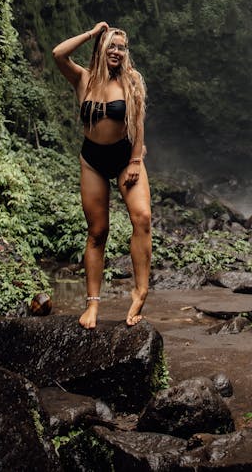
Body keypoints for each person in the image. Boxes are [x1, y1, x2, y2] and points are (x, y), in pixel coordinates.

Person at [52, 21, 151, 328]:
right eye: (112, 46)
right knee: (97, 233)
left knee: (142, 217)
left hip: (125, 158)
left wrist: (136, 160)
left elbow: (139, 120)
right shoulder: (83, 78)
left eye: (122, 47)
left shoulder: (131, 81)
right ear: (102, 48)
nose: (117, 52)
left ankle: (140, 291)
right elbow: (58, 53)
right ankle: (92, 304)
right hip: (93, 160)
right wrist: (93, 33)